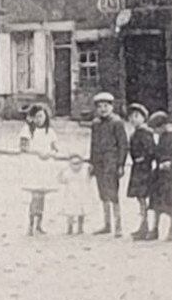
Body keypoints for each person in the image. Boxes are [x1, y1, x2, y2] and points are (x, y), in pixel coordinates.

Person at [88, 91, 130, 236]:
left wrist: (121, 164)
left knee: (113, 193)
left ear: (111, 107)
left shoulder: (117, 123)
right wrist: (92, 163)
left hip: (111, 162)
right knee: (102, 193)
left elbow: (123, 145)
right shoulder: (95, 123)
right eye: (100, 107)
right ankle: (107, 224)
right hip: (99, 163)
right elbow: (93, 145)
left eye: (106, 106)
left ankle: (118, 226)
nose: (103, 109)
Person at [143, 111, 172, 242]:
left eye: (156, 128)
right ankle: (154, 229)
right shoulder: (161, 138)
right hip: (160, 176)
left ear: (163, 126)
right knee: (156, 204)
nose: (155, 131)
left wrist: (171, 164)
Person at [18, 103, 60, 235]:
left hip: (45, 166)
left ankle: (39, 224)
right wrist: (38, 152)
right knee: (35, 195)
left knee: (41, 196)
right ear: (31, 118)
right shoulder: (27, 130)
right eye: (36, 117)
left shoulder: (50, 131)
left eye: (41, 116)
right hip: (33, 164)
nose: (39, 119)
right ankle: (30, 224)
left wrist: (51, 154)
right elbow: (23, 147)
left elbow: (55, 148)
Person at [125, 104, 156, 239]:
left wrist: (143, 159)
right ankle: (143, 226)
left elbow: (151, 151)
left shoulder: (146, 133)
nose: (133, 119)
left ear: (144, 118)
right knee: (140, 198)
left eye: (137, 116)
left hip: (144, 169)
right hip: (137, 169)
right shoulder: (134, 134)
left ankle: (148, 227)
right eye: (131, 117)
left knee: (145, 198)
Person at [57, 154, 94, 235]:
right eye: (73, 164)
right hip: (71, 194)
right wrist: (60, 172)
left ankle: (80, 228)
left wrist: (90, 169)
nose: (76, 166)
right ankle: (70, 228)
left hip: (82, 194)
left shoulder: (84, 172)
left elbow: (90, 177)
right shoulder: (68, 172)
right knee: (70, 212)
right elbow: (61, 180)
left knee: (82, 211)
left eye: (78, 163)